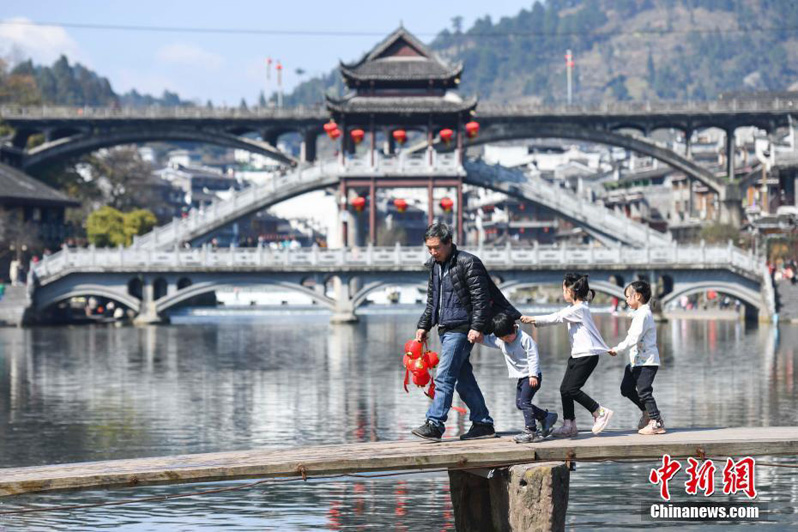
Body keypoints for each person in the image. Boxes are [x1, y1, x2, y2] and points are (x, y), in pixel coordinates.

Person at [413, 223, 521, 442]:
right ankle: (483, 423)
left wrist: (476, 327)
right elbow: (433, 300)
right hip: (446, 327)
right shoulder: (435, 265)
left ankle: (435, 423)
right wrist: (424, 325)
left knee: (444, 376)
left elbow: (481, 300)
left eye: (436, 248)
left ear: (448, 242)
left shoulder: (468, 262)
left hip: (462, 328)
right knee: (464, 380)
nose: (433, 252)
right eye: (429, 248)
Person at [521, 273, 614, 438]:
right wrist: (535, 321)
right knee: (565, 390)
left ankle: (599, 412)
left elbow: (557, 318)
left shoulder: (580, 309)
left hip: (587, 355)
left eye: (564, 289)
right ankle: (569, 425)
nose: (562, 292)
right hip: (578, 355)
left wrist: (532, 319)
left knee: (572, 389)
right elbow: (558, 316)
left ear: (572, 290)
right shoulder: (574, 309)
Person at [480, 313, 558, 443]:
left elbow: (533, 357)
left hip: (532, 376)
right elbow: (490, 340)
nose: (506, 340)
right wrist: (478, 338)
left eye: (508, 336)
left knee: (524, 403)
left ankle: (531, 431)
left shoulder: (524, 339)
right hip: (522, 377)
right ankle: (546, 417)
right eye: (503, 338)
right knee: (519, 404)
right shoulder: (502, 340)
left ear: (515, 327)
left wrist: (533, 374)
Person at [608, 281, 665, 435]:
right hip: (637, 362)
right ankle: (647, 412)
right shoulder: (640, 313)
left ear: (638, 296)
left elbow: (633, 337)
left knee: (644, 392)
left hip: (647, 361)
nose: (626, 300)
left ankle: (656, 422)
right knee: (626, 388)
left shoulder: (644, 314)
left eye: (628, 297)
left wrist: (617, 349)